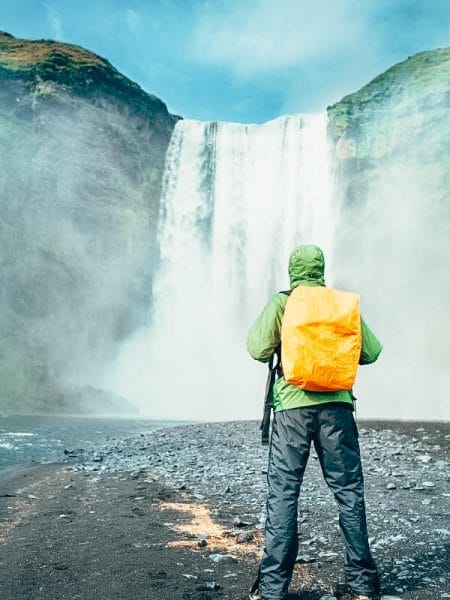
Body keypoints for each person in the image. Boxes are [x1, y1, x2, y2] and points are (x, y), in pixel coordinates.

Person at [246, 244, 382, 600]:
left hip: (291, 410)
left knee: (284, 494)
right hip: (337, 410)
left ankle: (273, 590)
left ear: (292, 270)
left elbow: (257, 348)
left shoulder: (283, 302)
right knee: (349, 493)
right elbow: (371, 350)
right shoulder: (340, 304)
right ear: (322, 269)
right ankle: (362, 586)